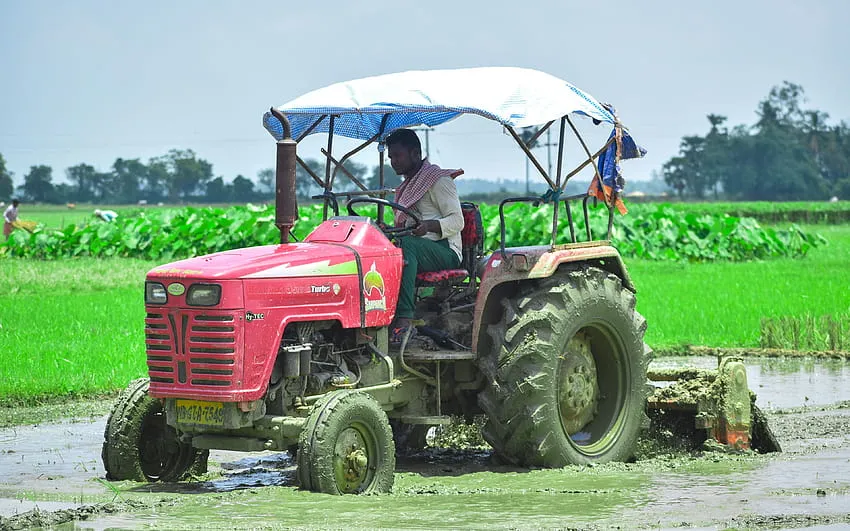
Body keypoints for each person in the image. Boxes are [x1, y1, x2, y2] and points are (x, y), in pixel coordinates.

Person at [385, 128, 464, 343]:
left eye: (398, 156)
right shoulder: (408, 185)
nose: (393, 162)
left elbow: (458, 221)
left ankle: (403, 319)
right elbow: (407, 224)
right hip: (419, 246)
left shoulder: (438, 181)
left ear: (415, 154)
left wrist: (429, 225)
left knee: (406, 246)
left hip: (445, 249)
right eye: (390, 157)